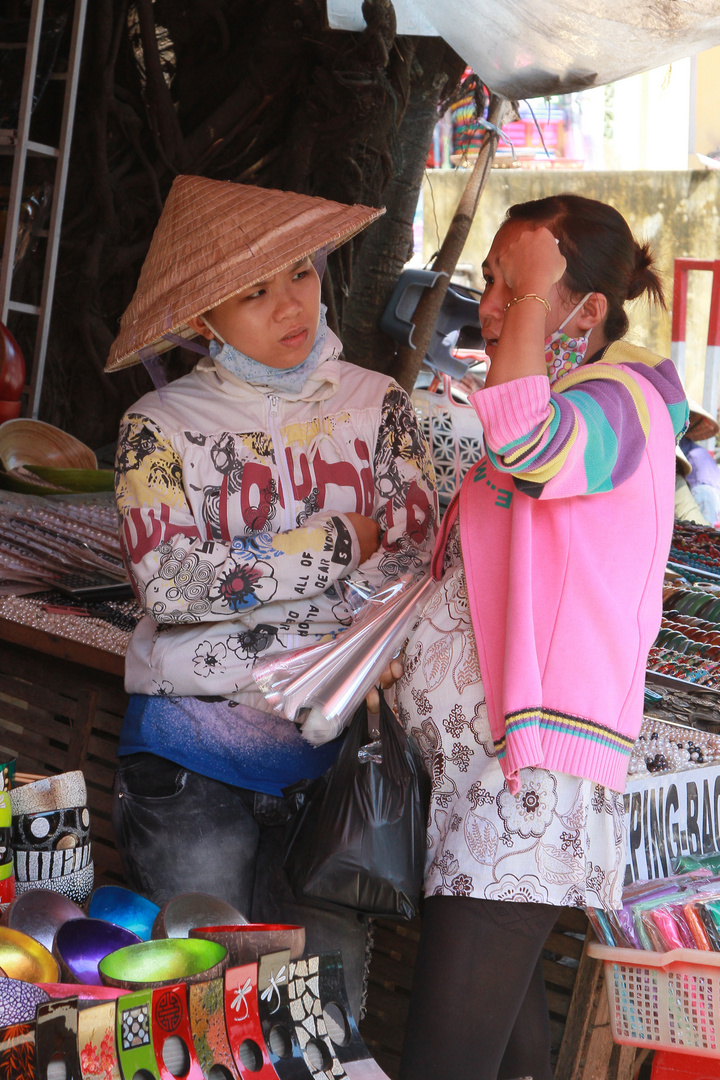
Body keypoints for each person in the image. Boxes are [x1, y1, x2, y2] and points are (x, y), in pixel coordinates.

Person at [105, 175, 437, 1019]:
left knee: (321, 1017)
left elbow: (418, 560)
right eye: (254, 292)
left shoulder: (380, 408)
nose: (290, 304)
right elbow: (172, 584)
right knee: (202, 1013)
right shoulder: (158, 426)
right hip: (191, 753)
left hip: (336, 768)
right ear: (201, 321)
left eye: (298, 273)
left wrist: (265, 570)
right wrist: (335, 541)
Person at [396, 193, 688, 1080]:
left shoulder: (622, 401)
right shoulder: (580, 399)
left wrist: (528, 299)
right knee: (498, 1054)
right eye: (490, 280)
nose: (489, 307)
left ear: (585, 311)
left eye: (515, 289)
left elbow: (528, 443)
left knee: (447, 1061)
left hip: (522, 791)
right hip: (485, 784)